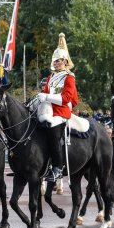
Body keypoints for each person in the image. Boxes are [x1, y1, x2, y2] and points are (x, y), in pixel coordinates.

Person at [36, 33, 78, 182]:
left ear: (65, 62)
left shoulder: (69, 77)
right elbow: (46, 93)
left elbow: (67, 98)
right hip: (48, 110)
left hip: (61, 113)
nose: (55, 63)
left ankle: (57, 168)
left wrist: (46, 97)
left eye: (59, 60)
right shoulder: (50, 77)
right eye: (54, 60)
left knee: (53, 132)